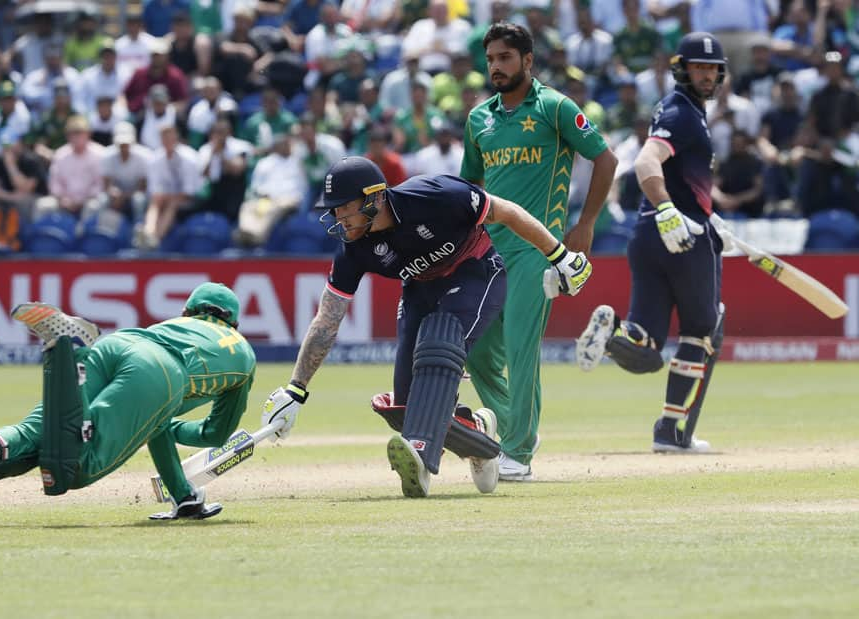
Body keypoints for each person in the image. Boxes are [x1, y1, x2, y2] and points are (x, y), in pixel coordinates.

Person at [259, 156, 594, 498]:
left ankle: (420, 456)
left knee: (438, 343)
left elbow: (507, 211)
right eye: (334, 210)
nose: (338, 218)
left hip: (476, 271)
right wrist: (295, 389)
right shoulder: (354, 248)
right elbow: (328, 318)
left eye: (345, 208)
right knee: (405, 409)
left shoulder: (435, 196)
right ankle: (477, 434)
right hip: (420, 288)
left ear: (374, 198)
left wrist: (559, 255)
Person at [0, 282, 254, 528]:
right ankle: (65, 355)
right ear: (233, 323)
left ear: (189, 312)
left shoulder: (174, 324)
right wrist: (172, 424)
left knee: (38, 438)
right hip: (162, 373)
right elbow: (214, 434)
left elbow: (154, 428)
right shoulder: (243, 353)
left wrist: (183, 494)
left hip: (119, 345)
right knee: (76, 469)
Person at [460, 22, 617, 482]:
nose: (496, 67)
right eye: (490, 59)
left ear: (528, 61)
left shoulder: (555, 108)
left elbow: (605, 159)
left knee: (522, 351)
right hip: (487, 251)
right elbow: (470, 187)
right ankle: (514, 428)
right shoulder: (478, 118)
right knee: (479, 354)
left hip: (537, 250)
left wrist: (584, 223)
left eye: (505, 58)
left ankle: (518, 454)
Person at [575, 32, 733, 454]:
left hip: (647, 237)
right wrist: (668, 209)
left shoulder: (680, 112)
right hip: (679, 236)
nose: (705, 74)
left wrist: (710, 216)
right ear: (682, 69)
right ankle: (672, 432)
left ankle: (612, 335)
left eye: (711, 68)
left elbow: (687, 182)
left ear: (720, 75)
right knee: (703, 330)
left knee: (644, 348)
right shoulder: (683, 114)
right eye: (698, 67)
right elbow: (646, 161)